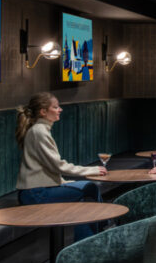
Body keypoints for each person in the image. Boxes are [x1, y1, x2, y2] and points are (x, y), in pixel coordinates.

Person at [15, 92, 108, 239]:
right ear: (43, 112)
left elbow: (48, 168)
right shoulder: (39, 132)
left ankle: (91, 241)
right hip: (36, 194)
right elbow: (58, 166)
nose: (60, 109)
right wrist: (92, 170)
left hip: (38, 191)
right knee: (90, 187)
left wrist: (65, 182)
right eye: (55, 107)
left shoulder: (40, 130)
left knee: (83, 200)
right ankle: (102, 233)